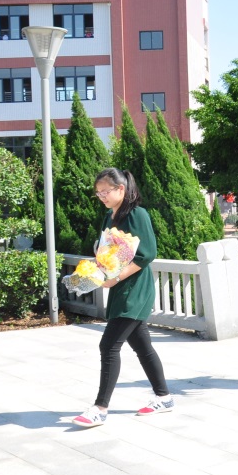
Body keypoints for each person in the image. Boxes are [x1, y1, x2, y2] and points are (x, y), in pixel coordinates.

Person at [74, 169, 172, 427]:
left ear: (121, 189)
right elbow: (106, 252)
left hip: (135, 287)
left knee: (108, 346)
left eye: (105, 191)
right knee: (142, 346)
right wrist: (97, 272)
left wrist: (116, 278)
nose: (102, 197)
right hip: (121, 287)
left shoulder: (137, 214)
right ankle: (164, 397)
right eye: (98, 193)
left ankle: (100, 408)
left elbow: (146, 254)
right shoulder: (109, 216)